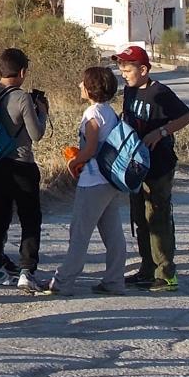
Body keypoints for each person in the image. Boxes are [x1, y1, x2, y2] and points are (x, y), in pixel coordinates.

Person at [39, 65, 127, 297]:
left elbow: (90, 149)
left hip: (93, 181)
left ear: (91, 87)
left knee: (79, 232)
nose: (80, 85)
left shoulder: (92, 115)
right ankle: (115, 280)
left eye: (83, 82)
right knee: (113, 232)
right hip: (110, 181)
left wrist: (73, 162)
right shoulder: (109, 112)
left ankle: (63, 281)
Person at [116, 44, 189, 292]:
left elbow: (186, 116)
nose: (123, 74)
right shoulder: (128, 92)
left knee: (157, 217)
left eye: (127, 69)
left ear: (143, 69)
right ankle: (146, 269)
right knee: (139, 218)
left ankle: (166, 273)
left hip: (159, 166)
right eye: (121, 69)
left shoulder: (160, 92)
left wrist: (161, 132)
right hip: (135, 167)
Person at [0, 48, 49, 291]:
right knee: (30, 218)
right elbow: (36, 135)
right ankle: (27, 269)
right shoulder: (21, 98)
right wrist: (43, 112)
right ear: (22, 72)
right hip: (21, 164)